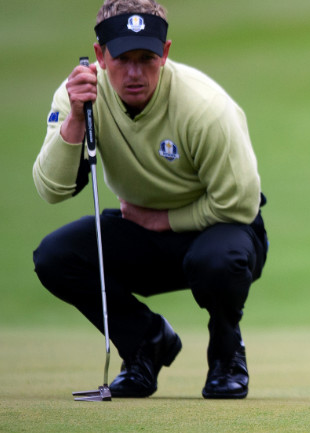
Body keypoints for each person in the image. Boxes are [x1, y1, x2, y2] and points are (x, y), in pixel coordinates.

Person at [33, 0, 268, 399]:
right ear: (100, 56)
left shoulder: (205, 106)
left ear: (166, 53)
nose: (136, 72)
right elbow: (52, 190)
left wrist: (165, 220)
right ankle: (146, 342)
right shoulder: (79, 97)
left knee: (218, 262)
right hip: (141, 232)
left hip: (220, 231)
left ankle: (227, 355)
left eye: (147, 58)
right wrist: (74, 118)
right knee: (55, 257)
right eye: (123, 58)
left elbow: (240, 204)